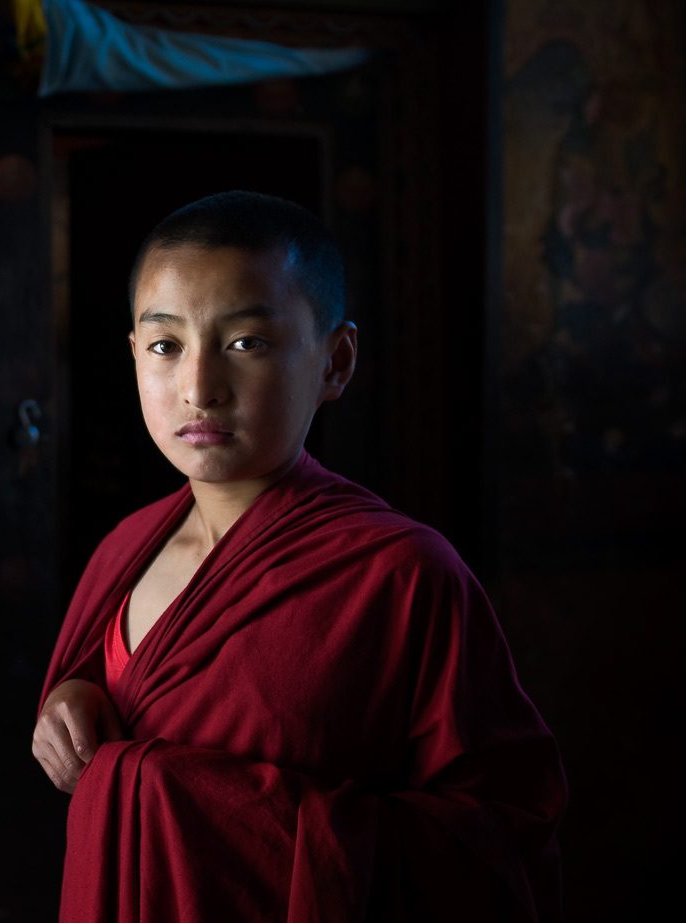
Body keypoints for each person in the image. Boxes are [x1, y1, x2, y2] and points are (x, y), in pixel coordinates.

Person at [32, 191, 565, 922]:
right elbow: (103, 710)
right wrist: (73, 697)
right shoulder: (123, 552)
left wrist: (213, 804)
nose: (198, 387)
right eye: (166, 345)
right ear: (133, 355)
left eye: (245, 343)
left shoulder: (404, 573)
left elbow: (499, 846)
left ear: (336, 361)